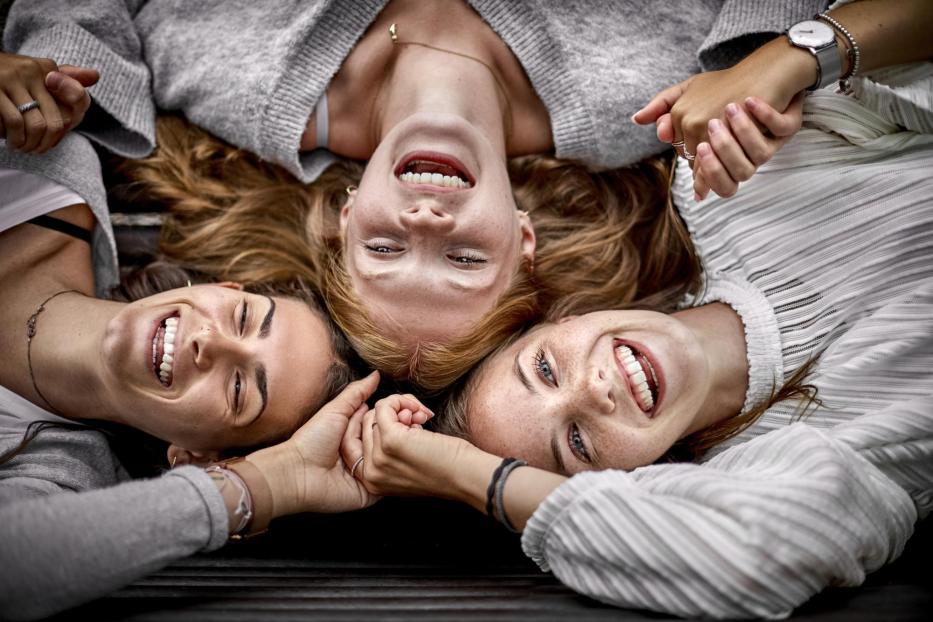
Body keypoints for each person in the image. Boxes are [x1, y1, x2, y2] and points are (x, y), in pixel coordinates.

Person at [337, 35, 933, 620]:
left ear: (563, 316)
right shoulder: (784, 462)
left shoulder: (719, 181)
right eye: (577, 444)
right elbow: (758, 558)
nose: (592, 391)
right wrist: (476, 480)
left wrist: (799, 53)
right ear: (628, 484)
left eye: (545, 368)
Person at [2, 0, 833, 368]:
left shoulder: (235, 79)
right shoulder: (652, 101)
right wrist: (763, 53)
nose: (428, 218)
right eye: (465, 258)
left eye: (387, 245)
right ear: (523, 238)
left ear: (340, 215)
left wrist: (48, 70)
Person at [0, 54, 433, 622]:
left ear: (196, 457)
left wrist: (260, 487)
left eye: (237, 390)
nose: (211, 344)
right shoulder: (39, 159)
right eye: (244, 317)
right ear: (221, 286)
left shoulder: (53, 476)